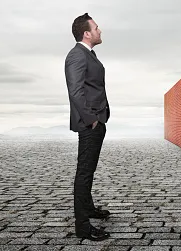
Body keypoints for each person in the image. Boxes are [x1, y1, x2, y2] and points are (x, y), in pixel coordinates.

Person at [64, 13, 111, 241]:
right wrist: (91, 119)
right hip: (89, 123)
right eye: (96, 27)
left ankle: (89, 209)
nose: (100, 31)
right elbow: (75, 92)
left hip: (96, 120)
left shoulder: (87, 55)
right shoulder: (77, 55)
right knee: (84, 173)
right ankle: (83, 227)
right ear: (86, 33)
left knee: (88, 171)